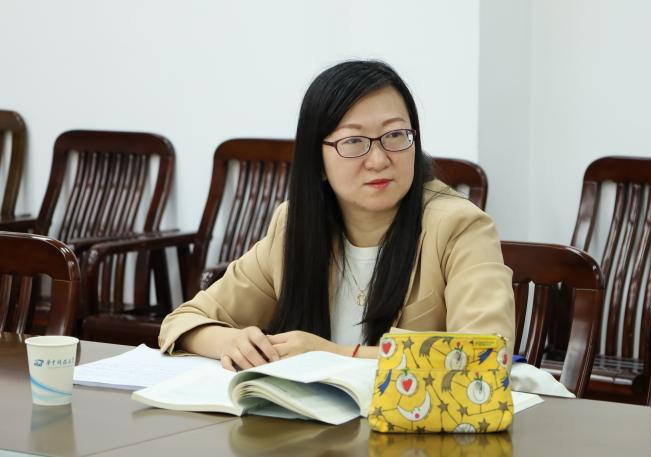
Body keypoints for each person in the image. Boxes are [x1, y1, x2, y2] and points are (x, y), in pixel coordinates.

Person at [159, 60, 515, 370]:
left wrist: (333, 355)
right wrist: (230, 342)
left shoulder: (459, 226)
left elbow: (485, 355)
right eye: (353, 142)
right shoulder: (293, 224)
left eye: (395, 135)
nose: (379, 159)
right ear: (318, 160)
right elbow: (183, 321)